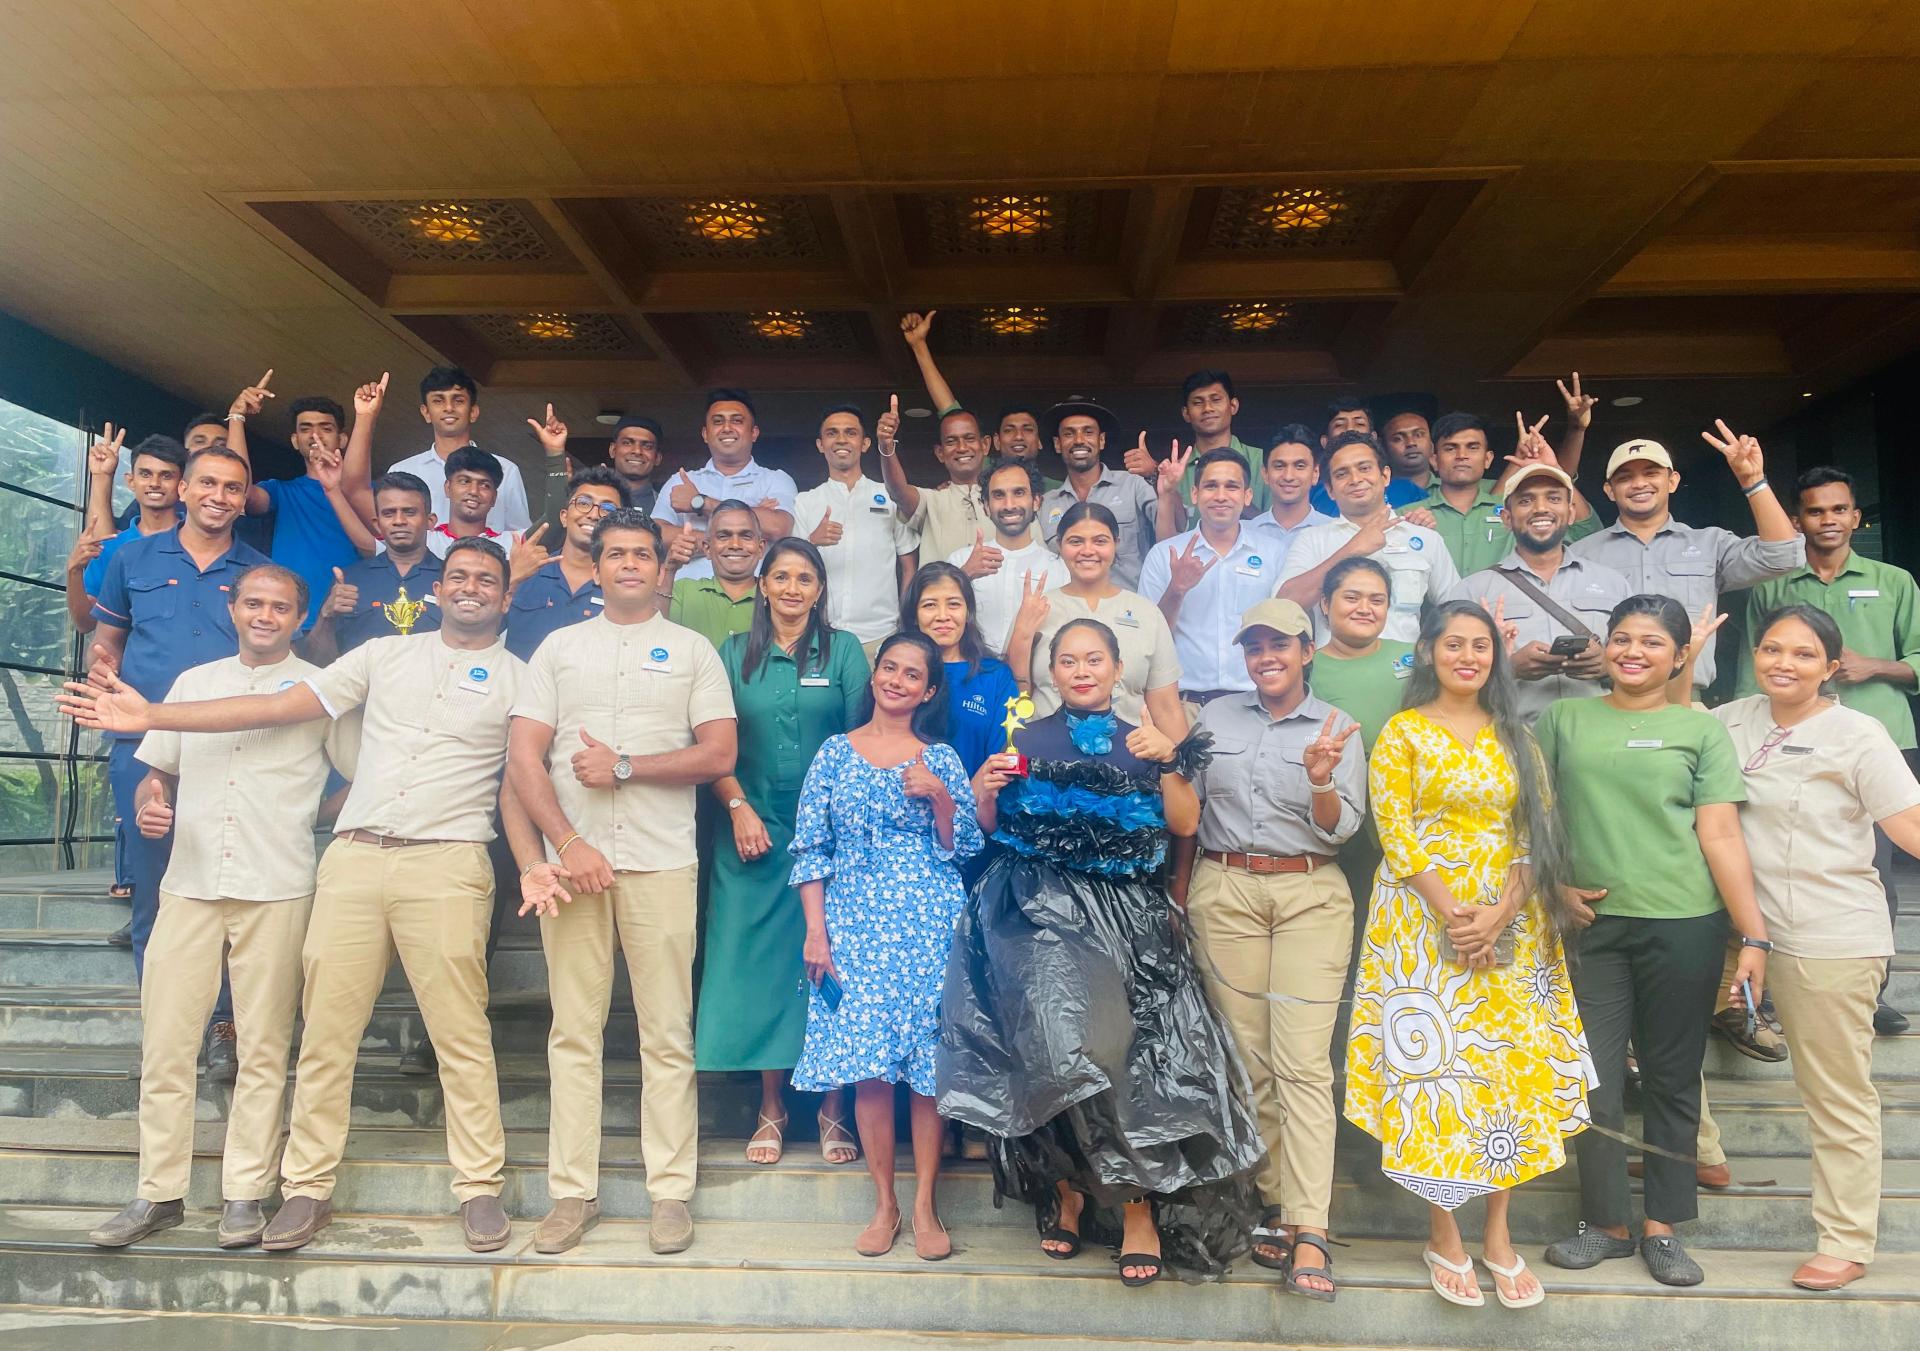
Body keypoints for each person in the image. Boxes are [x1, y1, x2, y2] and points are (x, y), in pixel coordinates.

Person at [63, 537, 525, 1255]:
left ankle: (480, 1187)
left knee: (460, 1032)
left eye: (486, 579)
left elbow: (522, 773)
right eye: (457, 575)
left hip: (444, 862)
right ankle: (304, 1187)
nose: (469, 587)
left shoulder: (522, 678)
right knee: (326, 1037)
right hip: (349, 862)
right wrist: (154, 729)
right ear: (437, 589)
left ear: (506, 594)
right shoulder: (377, 659)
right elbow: (283, 708)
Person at [940, 618, 1263, 1285]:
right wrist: (984, 788)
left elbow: (1184, 824)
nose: (1081, 670)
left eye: (1094, 659)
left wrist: (1171, 759)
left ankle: (1135, 1205)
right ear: (1052, 671)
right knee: (1062, 1044)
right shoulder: (1020, 737)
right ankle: (1068, 1188)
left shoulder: (1146, 741)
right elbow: (990, 827)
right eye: (1067, 660)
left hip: (1127, 917)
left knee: (1122, 1054)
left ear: (1119, 669)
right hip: (1036, 911)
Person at [83, 565, 345, 1251]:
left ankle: (244, 1194)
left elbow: (364, 771)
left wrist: (309, 818)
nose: (264, 614)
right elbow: (156, 772)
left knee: (263, 1046)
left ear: (299, 615)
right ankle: (157, 1192)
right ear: (233, 606)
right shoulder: (193, 684)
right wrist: (149, 807)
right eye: (253, 602)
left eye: (280, 606)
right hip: (190, 883)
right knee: (167, 1044)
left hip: (278, 883)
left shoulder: (315, 691)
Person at [1345, 601, 1595, 1310]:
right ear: (1428, 652)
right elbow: (1396, 831)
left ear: (1495, 654)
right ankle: (1442, 1233)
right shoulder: (1402, 731)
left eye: (1480, 645)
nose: (1467, 655)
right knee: (1437, 1070)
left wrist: (1499, 914)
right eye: (1453, 643)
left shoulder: (1519, 734)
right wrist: (1455, 913)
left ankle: (1499, 1233)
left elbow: (1533, 833)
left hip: (1512, 921)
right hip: (1421, 923)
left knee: (1502, 1069)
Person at [506, 510, 737, 1257]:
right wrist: (566, 844)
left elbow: (717, 752)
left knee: (665, 1032)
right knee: (573, 1030)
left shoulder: (692, 649)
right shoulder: (558, 647)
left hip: (662, 860)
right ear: (596, 567)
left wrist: (628, 765)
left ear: (660, 566)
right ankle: (571, 1193)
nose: (630, 564)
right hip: (575, 868)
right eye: (617, 554)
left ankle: (669, 1192)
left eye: (643, 553)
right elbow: (523, 758)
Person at [1536, 595, 1772, 1288]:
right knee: (1596, 1079)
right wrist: (1552, 887)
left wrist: (1751, 933)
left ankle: (1664, 1227)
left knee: (1670, 1077)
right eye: (1620, 638)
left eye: (1650, 641)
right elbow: (1535, 817)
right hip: (1592, 926)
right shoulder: (1563, 718)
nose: (1632, 650)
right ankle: (1606, 1223)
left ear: (1679, 655)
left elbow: (1721, 833)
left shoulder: (1697, 730)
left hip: (1685, 921)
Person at [1714, 604, 1920, 1290]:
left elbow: (1910, 823)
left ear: (1832, 667)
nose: (1783, 662)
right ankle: (1702, 1153)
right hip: (1730, 926)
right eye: (1773, 648)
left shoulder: (1858, 734)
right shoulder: (1729, 721)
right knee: (1658, 1043)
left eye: (1804, 654)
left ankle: (1847, 1237)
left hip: (1829, 933)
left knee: (1836, 1094)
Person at [1178, 599, 1366, 1301]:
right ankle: (1277, 1205)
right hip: (1225, 888)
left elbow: (1341, 829)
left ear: (1306, 649)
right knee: (1250, 1062)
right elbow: (1187, 813)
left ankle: (1312, 1226)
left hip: (1308, 895)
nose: (1266, 656)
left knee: (1303, 1064)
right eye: (1254, 645)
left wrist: (1320, 777)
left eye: (1279, 644)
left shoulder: (1338, 727)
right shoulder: (1217, 718)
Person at [790, 631, 981, 1259]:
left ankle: (926, 1204)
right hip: (853, 927)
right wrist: (816, 933)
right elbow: (812, 848)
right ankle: (884, 1203)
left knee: (927, 1071)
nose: (897, 680)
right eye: (889, 668)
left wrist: (942, 799)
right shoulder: (834, 754)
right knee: (869, 1069)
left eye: (912, 675)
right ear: (875, 676)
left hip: (928, 925)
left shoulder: (941, 758)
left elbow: (964, 852)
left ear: (928, 690)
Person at [86, 445, 270, 1062]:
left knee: (227, 891)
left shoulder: (258, 576)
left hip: (231, 750)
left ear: (246, 500)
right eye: (209, 484)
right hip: (142, 749)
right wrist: (103, 674)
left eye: (234, 488)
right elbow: (105, 643)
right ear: (184, 490)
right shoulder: (128, 558)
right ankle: (166, 1030)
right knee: (154, 889)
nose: (220, 496)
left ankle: (224, 1026)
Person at [699, 538, 869, 1168]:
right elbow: (711, 743)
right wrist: (738, 806)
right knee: (764, 970)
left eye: (806, 578)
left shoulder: (845, 651)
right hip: (752, 833)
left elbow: (859, 743)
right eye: (782, 577)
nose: (794, 588)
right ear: (763, 586)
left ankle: (832, 1108)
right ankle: (771, 1105)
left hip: (831, 838)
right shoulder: (728, 654)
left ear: (819, 590)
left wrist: (837, 832)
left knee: (832, 967)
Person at [1738, 466, 1920, 1036]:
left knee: (1874, 868)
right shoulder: (1772, 585)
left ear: (1856, 517)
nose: (1829, 521)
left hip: (1881, 737)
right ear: (1797, 521)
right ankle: (1766, 989)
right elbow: (1753, 669)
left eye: (1839, 510)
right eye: (1815, 512)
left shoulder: (1893, 581)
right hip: (1784, 743)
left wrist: (1878, 666)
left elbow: (1917, 655)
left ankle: (1873, 989)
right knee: (1771, 860)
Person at [1570, 423, 1803, 699]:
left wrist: (1753, 481)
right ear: (1610, 490)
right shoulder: (1581, 553)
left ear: (1673, 481)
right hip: (1602, 699)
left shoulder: (1709, 544)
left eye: (1651, 473)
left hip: (1684, 699)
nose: (1639, 483)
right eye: (1625, 477)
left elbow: (1783, 556)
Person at [69, 427, 184, 914]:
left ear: (183, 484)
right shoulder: (116, 548)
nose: (156, 484)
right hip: (133, 705)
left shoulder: (210, 538)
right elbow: (88, 623)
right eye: (147, 475)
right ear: (133, 482)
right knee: (141, 822)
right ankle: (142, 909)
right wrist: (73, 571)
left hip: (197, 711)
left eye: (167, 475)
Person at [1446, 461, 1631, 723]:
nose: (1541, 508)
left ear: (1570, 512)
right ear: (1507, 518)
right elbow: (1443, 671)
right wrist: (1508, 668)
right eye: (1526, 501)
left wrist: (1608, 666)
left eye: (1553, 498)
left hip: (1600, 737)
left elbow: (1641, 662)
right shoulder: (1472, 590)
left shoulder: (1614, 583)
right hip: (1510, 739)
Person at [1140, 448, 1292, 711]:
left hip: (1257, 703)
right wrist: (1176, 590)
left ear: (1247, 496)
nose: (1221, 496)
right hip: (1184, 705)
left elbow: (1286, 630)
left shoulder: (1275, 553)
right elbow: (1147, 640)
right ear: (1195, 494)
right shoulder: (1164, 555)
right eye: (1211, 486)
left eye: (1232, 486)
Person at [1012, 501, 1183, 731]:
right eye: (1076, 541)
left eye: (1100, 541)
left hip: (1129, 756)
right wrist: (1022, 635)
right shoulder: (1036, 609)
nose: (1088, 551)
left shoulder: (1146, 613)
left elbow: (1166, 709)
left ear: (1116, 544)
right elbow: (1014, 698)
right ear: (1060, 545)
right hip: (1048, 758)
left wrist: (1178, 764)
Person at [1277, 431, 1461, 644]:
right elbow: (1284, 604)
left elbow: (1456, 612)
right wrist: (1353, 549)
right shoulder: (1312, 539)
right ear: (1330, 490)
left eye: (1364, 468)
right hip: (1335, 673)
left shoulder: (1425, 537)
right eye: (1342, 474)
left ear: (1385, 476)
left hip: (1405, 673)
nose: (1355, 479)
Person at [224, 387, 377, 628]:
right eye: (305, 428)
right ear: (295, 441)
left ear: (343, 439)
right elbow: (238, 490)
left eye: (326, 428)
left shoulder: (366, 493)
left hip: (355, 619)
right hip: (290, 623)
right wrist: (236, 417)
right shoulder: (281, 491)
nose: (315, 434)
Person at [793, 404, 921, 661]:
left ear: (864, 444)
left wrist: (903, 622)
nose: (841, 439)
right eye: (832, 433)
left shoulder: (888, 496)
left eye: (850, 433)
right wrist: (812, 542)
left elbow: (909, 565)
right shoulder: (806, 501)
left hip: (882, 634)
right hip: (820, 634)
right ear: (820, 445)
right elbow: (791, 568)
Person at [897, 311, 1055, 485]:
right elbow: (949, 410)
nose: (1018, 436)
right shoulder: (983, 474)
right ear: (995, 441)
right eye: (1009, 430)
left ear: (1040, 441)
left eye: (1028, 429)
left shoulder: (1055, 492)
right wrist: (919, 345)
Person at [1036, 395, 1175, 590]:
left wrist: (1166, 488)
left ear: (1101, 440)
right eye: (1069, 434)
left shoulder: (1133, 485)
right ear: (1058, 444)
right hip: (1069, 614)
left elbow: (1172, 537)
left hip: (1129, 613)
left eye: (1088, 432)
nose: (1079, 440)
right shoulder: (1046, 504)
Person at [304, 472, 444, 663]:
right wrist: (326, 615)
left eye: (409, 512)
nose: (399, 520)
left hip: (433, 690)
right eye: (389, 513)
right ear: (377, 524)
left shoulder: (452, 580)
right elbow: (317, 662)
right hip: (362, 691)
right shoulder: (350, 579)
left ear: (430, 521)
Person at [901, 562, 1020, 777]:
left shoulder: (995, 676)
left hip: (977, 804)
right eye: (929, 605)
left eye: (954, 604)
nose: (943, 615)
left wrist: (967, 800)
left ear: (968, 612)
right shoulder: (897, 674)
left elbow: (1002, 760)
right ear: (914, 616)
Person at [385, 366, 538, 534]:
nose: (449, 408)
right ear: (426, 412)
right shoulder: (402, 471)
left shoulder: (505, 470)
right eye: (438, 400)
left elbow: (520, 536)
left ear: (473, 412)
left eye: (458, 400)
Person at [505, 467, 630, 662]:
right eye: (583, 503)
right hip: (521, 690)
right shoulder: (525, 570)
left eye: (608, 509)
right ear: (564, 517)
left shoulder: (625, 584)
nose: (593, 514)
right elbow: (477, 630)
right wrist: (512, 579)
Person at [950, 458, 1068, 658]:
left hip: (1036, 682)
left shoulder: (1059, 568)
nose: (1009, 504)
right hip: (974, 678)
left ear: (1037, 501)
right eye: (998, 495)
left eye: (1019, 493)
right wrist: (964, 575)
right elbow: (936, 612)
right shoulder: (959, 561)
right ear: (986, 505)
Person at [656, 389, 796, 541]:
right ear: (705, 434)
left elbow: (778, 528)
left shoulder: (776, 479)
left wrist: (701, 503)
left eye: (737, 421)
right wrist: (750, 517)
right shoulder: (681, 482)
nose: (727, 428)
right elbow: (655, 536)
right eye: (718, 421)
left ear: (754, 433)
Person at [1124, 370, 1268, 514]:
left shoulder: (1262, 460)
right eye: (1198, 403)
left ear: (1233, 406)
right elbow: (1173, 529)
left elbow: (1277, 525)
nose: (1207, 408)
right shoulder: (1175, 470)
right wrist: (1155, 474)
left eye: (1216, 400)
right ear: (1186, 413)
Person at [1311, 558, 1415, 755]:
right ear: (1325, 603)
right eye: (1351, 598)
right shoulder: (1306, 669)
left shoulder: (1416, 655)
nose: (1365, 609)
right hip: (1341, 780)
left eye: (1377, 601)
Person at [880, 400, 991, 568]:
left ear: (985, 445)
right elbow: (898, 491)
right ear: (940, 453)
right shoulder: (931, 501)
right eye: (951, 441)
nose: (962, 447)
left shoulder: (1007, 501)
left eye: (969, 438)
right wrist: (886, 446)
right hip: (942, 594)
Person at [665, 499, 764, 650]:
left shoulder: (776, 597)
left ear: (761, 548)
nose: (735, 545)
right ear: (707, 548)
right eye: (724, 536)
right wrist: (669, 570)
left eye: (745, 536)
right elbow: (651, 632)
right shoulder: (683, 592)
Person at [1309, 400, 1427, 516]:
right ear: (1325, 442)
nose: (1351, 429)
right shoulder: (1312, 494)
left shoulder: (1407, 491)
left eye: (1359, 424)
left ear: (1373, 437)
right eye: (1340, 425)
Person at [1246, 425, 1335, 564]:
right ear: (1265, 474)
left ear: (1315, 473)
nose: (1288, 476)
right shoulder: (1245, 533)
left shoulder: (1334, 533)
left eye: (1300, 466)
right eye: (1279, 466)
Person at [606, 416, 663, 519]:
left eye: (647, 446)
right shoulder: (591, 500)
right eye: (627, 443)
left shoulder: (666, 506)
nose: (637, 451)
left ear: (657, 458)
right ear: (613, 450)